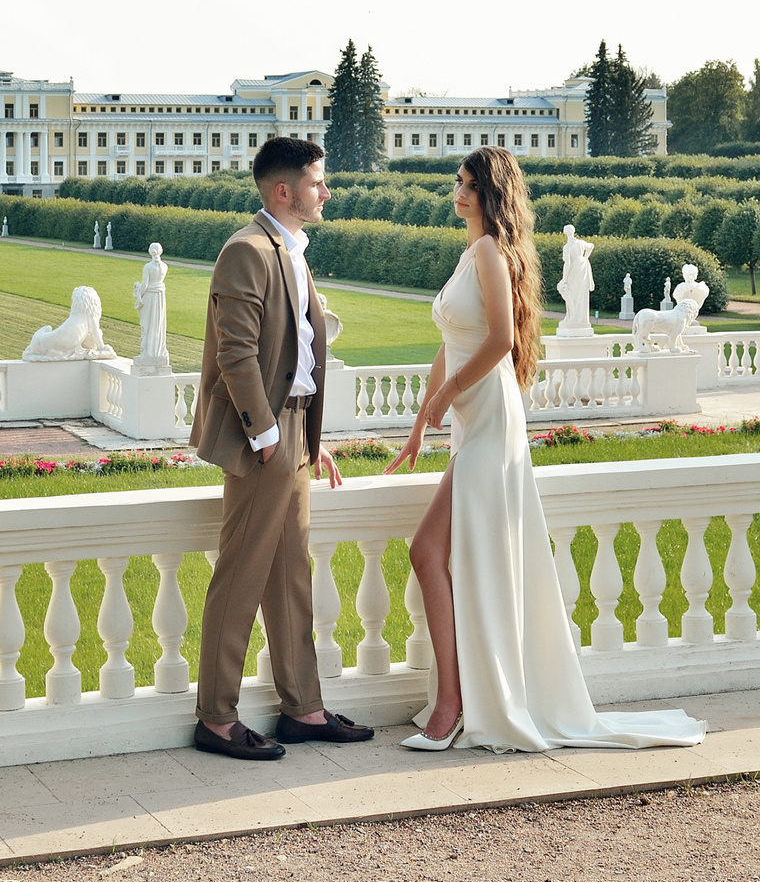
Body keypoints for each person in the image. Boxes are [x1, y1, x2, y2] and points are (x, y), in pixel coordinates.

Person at [384, 146, 705, 753]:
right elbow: (452, 341)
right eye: (457, 182)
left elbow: (501, 342)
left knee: (431, 550)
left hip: (488, 418)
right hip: (472, 419)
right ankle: (458, 700)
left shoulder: (486, 253)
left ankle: (454, 706)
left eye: (467, 184)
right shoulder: (472, 252)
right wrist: (421, 420)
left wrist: (447, 395)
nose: (457, 192)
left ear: (489, 194)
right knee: (434, 551)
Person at [187, 136, 374, 762]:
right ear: (284, 191)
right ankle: (215, 719)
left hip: (292, 435)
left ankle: (304, 708)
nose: (327, 192)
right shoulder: (245, 251)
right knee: (240, 577)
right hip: (262, 439)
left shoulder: (292, 252)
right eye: (318, 182)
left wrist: (305, 438)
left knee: (293, 577)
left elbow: (295, 354)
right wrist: (269, 436)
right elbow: (236, 353)